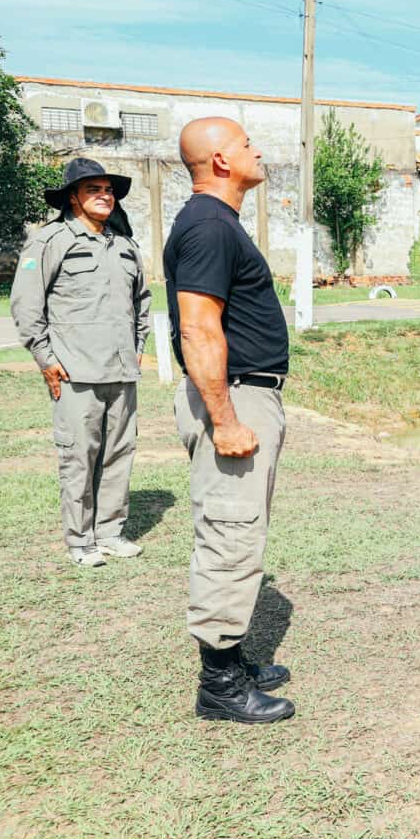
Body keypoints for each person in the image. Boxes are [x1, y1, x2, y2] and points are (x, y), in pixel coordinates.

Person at [165, 117, 293, 723]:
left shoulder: (217, 224)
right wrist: (224, 418)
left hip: (244, 394)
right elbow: (198, 326)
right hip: (232, 398)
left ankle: (233, 658)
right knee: (230, 532)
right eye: (246, 144)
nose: (257, 150)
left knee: (239, 529)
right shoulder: (209, 226)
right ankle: (219, 686)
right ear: (220, 160)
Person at [10, 158, 151, 567]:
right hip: (74, 373)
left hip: (121, 372)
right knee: (78, 458)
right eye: (94, 189)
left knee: (118, 455)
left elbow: (142, 303)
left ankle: (110, 532)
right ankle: (80, 541)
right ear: (73, 198)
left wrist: (138, 345)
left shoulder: (125, 245)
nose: (104, 196)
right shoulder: (50, 241)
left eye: (108, 190)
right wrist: (45, 358)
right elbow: (27, 305)